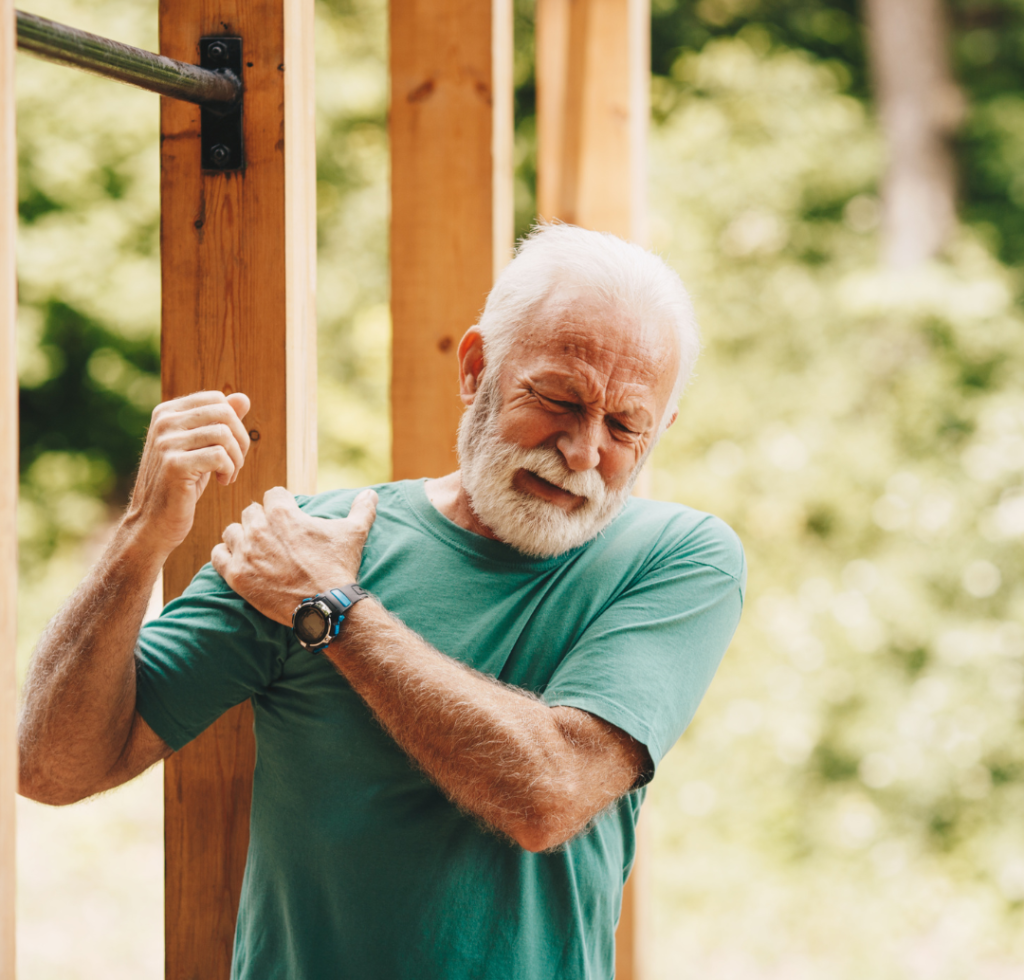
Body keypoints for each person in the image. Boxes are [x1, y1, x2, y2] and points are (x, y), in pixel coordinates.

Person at [18, 224, 745, 980]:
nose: (583, 450)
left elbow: (549, 795)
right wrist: (142, 537)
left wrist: (332, 611)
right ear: (476, 369)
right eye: (558, 398)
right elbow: (51, 767)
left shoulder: (678, 559)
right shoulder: (304, 544)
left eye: (626, 424)